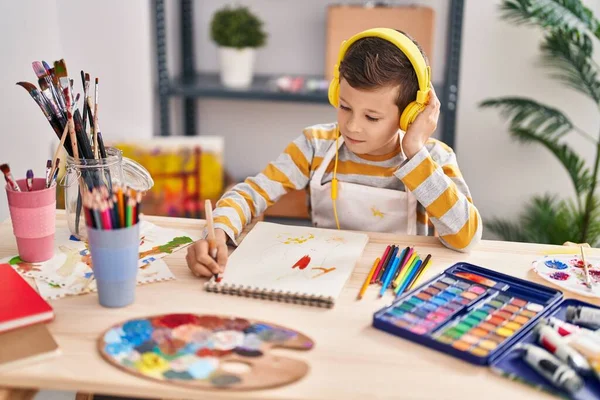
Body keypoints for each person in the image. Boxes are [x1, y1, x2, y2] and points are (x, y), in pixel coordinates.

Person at [186, 28, 482, 278]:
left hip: (392, 287)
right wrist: (218, 234)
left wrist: (415, 152)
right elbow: (252, 193)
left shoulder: (432, 159)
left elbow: (465, 238)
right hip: (321, 276)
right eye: (345, 107)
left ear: (410, 115)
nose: (352, 126)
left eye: (372, 117)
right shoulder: (316, 144)